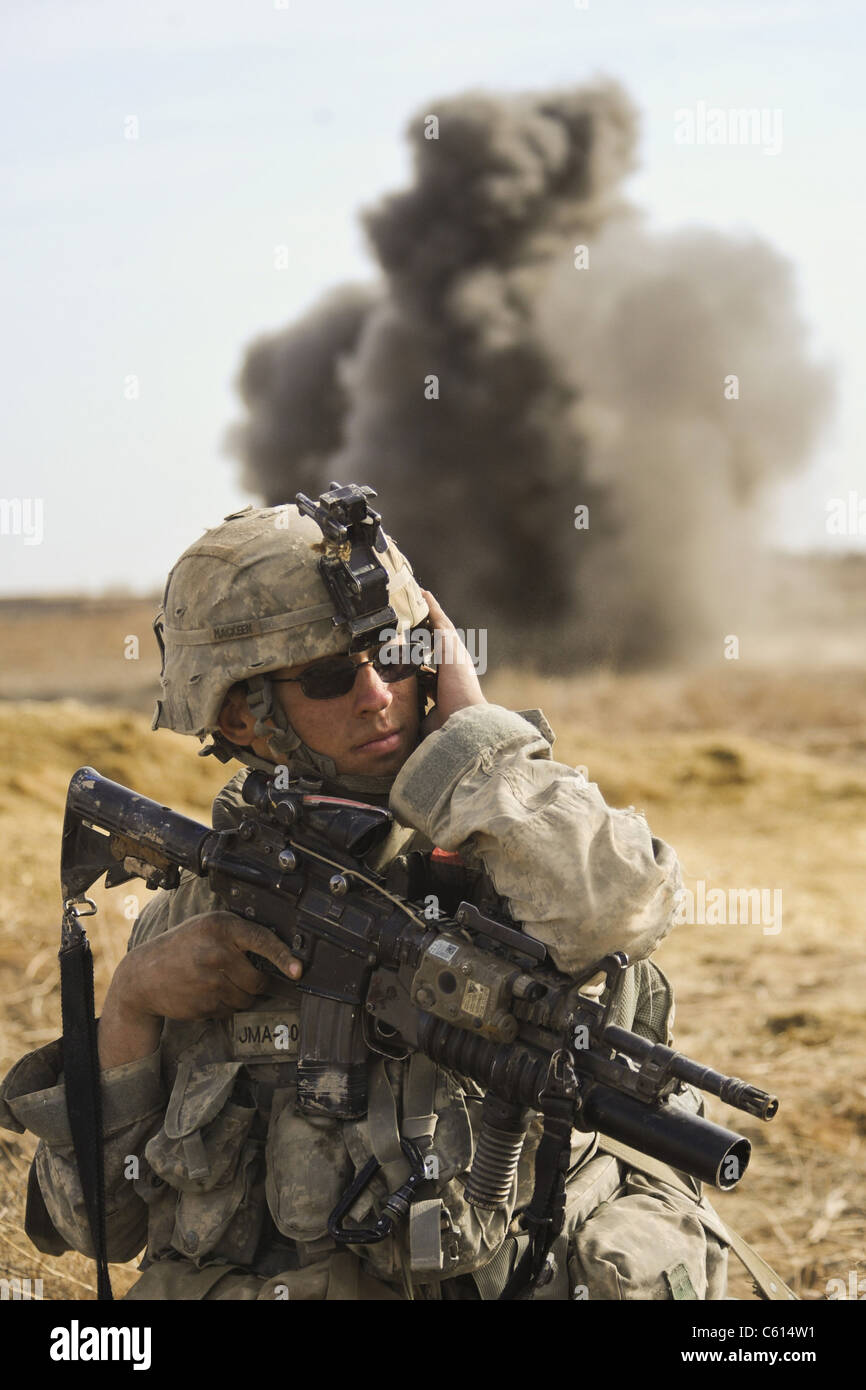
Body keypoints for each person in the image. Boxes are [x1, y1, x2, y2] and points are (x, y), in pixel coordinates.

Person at [0, 493, 730, 1300]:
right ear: (243, 716)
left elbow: (619, 912)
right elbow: (94, 1229)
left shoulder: (518, 852)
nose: (379, 693)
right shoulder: (197, 913)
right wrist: (132, 1009)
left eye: (396, 653)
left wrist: (477, 736)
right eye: (329, 676)